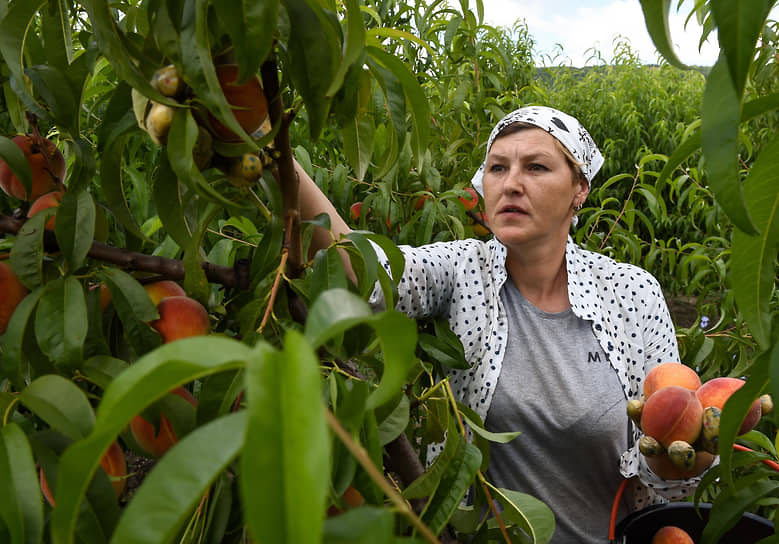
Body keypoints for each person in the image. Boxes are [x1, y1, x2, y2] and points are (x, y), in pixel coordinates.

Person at [297, 106, 707, 542]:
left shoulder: (632, 293)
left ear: (579, 188)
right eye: (497, 167)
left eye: (536, 167)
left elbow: (674, 469)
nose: (511, 183)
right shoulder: (461, 271)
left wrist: (682, 457)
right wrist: (275, 152)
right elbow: (364, 271)